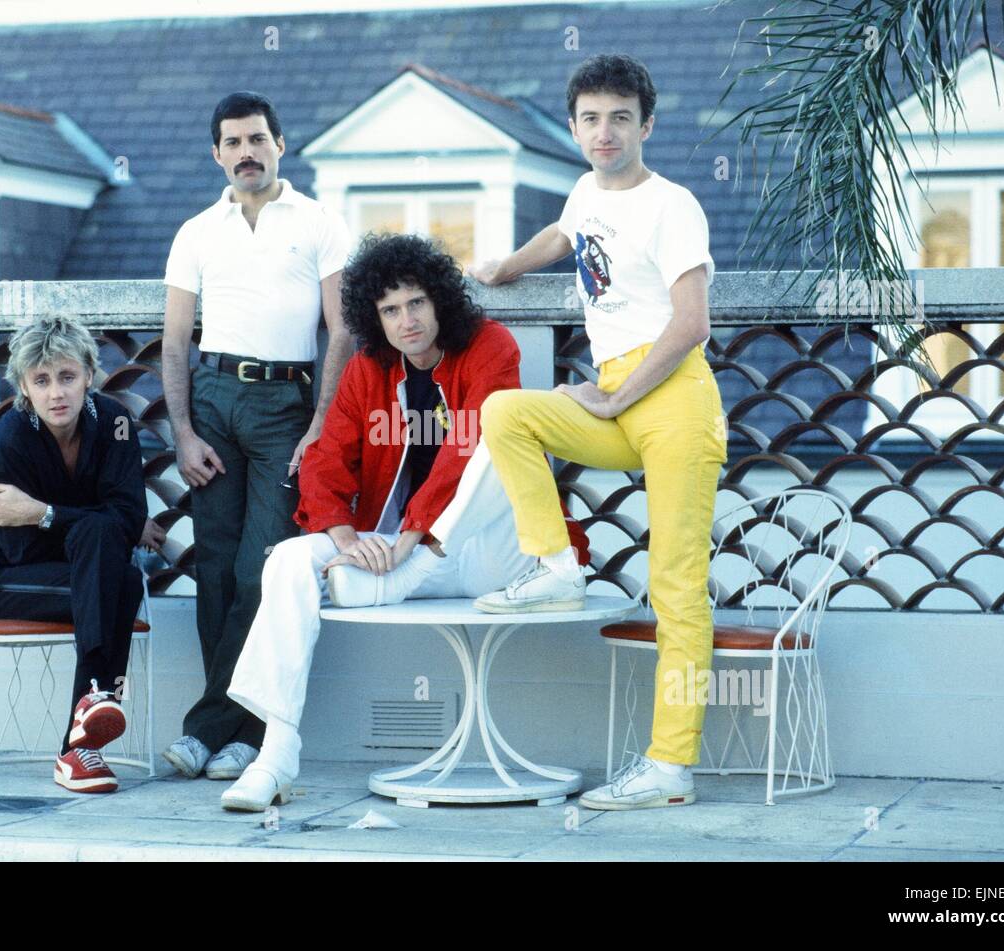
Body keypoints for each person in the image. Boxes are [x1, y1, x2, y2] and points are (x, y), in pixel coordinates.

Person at [219, 233, 589, 811]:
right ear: (375, 319)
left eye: (415, 302)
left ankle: (384, 580)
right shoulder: (370, 368)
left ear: (440, 300)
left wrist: (411, 536)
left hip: (492, 552)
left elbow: (462, 454)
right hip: (398, 554)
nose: (405, 320)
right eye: (389, 310)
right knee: (291, 558)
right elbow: (324, 458)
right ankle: (276, 753)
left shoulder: (492, 347)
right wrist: (343, 537)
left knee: (493, 430)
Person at [467, 53, 728, 810]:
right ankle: (555, 566)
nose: (604, 131)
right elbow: (564, 233)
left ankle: (669, 766)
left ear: (646, 123)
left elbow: (693, 323)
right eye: (590, 118)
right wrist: (503, 270)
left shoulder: (672, 204)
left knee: (675, 587)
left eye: (620, 117)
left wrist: (616, 400)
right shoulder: (584, 189)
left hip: (674, 400)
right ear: (575, 127)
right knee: (507, 412)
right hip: (618, 393)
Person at [160, 91, 354, 783]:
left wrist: (320, 425)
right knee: (212, 568)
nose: (247, 152)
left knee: (259, 569)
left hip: (285, 405)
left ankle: (229, 731)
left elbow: (345, 328)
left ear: (280, 144)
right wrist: (181, 430)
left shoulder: (322, 225)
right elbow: (176, 340)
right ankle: (232, 733)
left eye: (258, 139)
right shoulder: (196, 232)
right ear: (216, 153)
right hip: (212, 402)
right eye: (233, 142)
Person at [0, 315, 164, 794]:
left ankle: (82, 731)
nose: (57, 392)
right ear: (24, 388)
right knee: (118, 578)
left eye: (67, 377)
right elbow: (18, 546)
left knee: (115, 569)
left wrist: (44, 512)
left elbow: (128, 516)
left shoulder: (114, 423)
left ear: (89, 377)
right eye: (42, 380)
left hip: (78, 575)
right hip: (6, 580)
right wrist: (94, 523)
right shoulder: (9, 439)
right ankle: (81, 740)